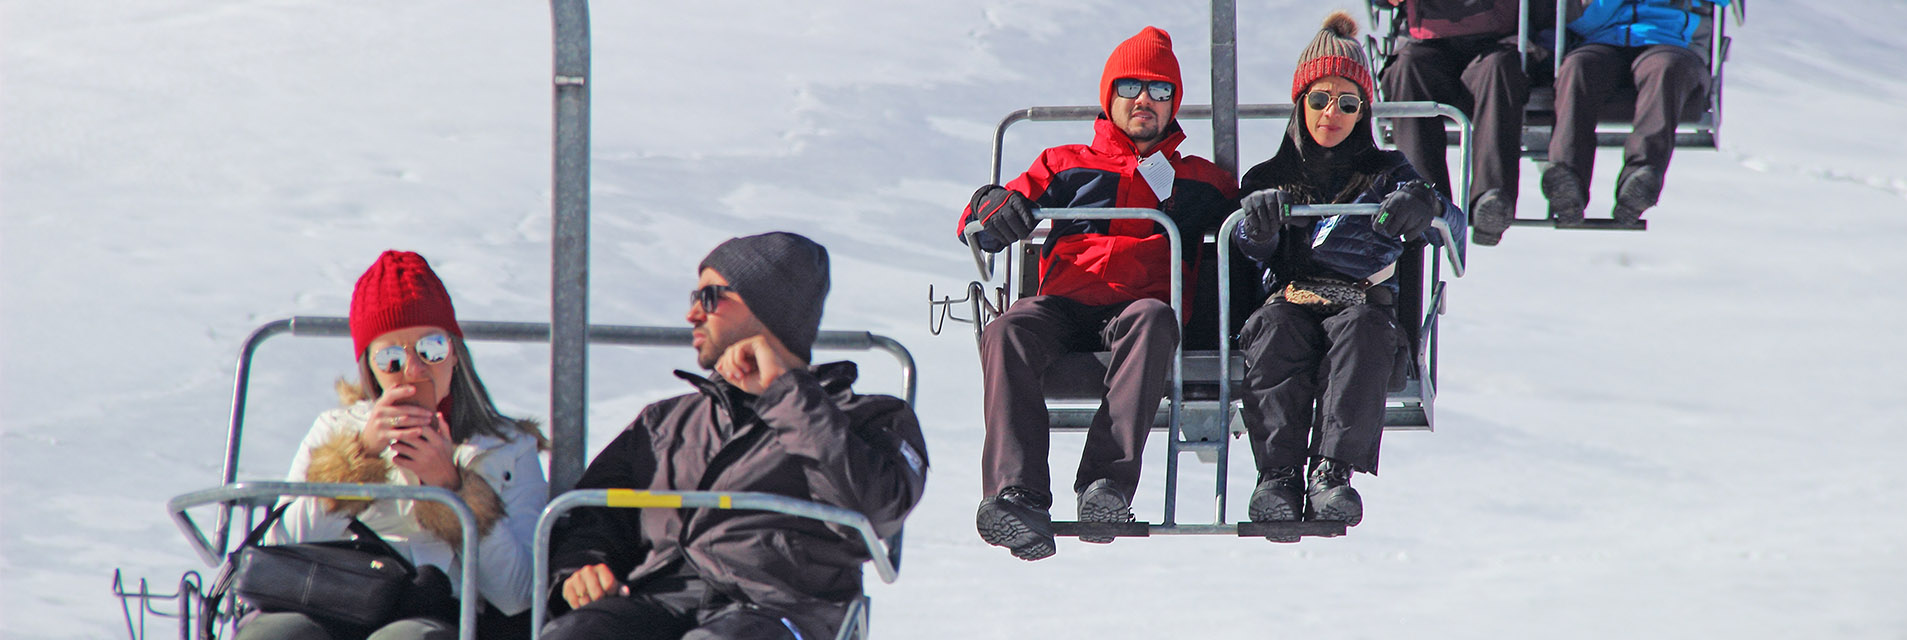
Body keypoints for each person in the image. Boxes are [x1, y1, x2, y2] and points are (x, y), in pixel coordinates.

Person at [541, 232, 929, 640]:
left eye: (709, 297)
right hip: (657, 602)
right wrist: (579, 569)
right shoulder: (664, 424)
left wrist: (787, 394)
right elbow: (592, 518)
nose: (692, 313)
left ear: (769, 306)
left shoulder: (867, 419)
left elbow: (875, 510)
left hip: (781, 611)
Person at [956, 26, 1237, 561]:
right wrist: (989, 206)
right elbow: (985, 224)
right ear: (1109, 96)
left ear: (1174, 105)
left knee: (1154, 319)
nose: (1144, 101)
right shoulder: (1064, 164)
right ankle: (1019, 492)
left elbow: (1248, 239)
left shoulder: (1202, 181)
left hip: (1136, 312)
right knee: (1009, 328)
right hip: (1064, 305)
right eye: (1131, 87)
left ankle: (1104, 486)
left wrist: (1267, 212)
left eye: (1160, 92)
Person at [249, 250, 550, 640]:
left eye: (432, 349)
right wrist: (358, 459)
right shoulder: (336, 430)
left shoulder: (507, 447)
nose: (414, 369)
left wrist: (453, 489)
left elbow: (516, 594)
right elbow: (282, 548)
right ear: (369, 367)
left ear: (456, 354)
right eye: (390, 357)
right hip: (326, 598)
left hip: (435, 608)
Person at [1233, 11, 1452, 534]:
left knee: (1364, 332)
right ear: (1300, 102)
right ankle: (1278, 475)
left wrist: (1424, 205)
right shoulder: (1268, 178)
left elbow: (1450, 224)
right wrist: (1257, 228)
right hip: (1290, 298)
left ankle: (1332, 472)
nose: (1332, 112)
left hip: (1360, 301)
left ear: (1362, 113)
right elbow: (1241, 253)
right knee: (1275, 331)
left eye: (1347, 103)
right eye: (1320, 99)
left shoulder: (1388, 173)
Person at [1377, 0, 1547, 245]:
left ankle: (1490, 197)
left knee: (1499, 70)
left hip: (1497, 42)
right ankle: (1423, 197)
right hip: (1424, 43)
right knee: (1407, 71)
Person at [1542, 0, 1728, 224]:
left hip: (1673, 42)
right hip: (1603, 41)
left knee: (1665, 70)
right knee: (1578, 69)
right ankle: (1567, 178)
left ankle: (1641, 177)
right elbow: (1581, 20)